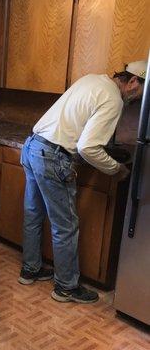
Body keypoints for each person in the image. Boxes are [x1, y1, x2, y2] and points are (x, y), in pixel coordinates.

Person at [20, 60, 147, 304]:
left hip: (33, 145)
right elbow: (88, 147)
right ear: (132, 81)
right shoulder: (113, 99)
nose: (138, 99)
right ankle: (66, 287)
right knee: (65, 226)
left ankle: (31, 269)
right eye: (140, 92)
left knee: (33, 213)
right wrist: (116, 169)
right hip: (53, 157)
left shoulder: (92, 79)